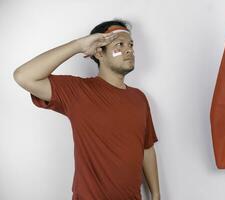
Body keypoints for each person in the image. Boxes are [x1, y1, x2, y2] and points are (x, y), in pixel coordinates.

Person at [13, 19, 160, 200]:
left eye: (130, 44)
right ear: (99, 53)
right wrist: (78, 45)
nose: (129, 49)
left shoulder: (139, 98)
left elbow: (146, 148)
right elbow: (24, 76)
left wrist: (156, 194)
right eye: (119, 44)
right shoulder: (78, 91)